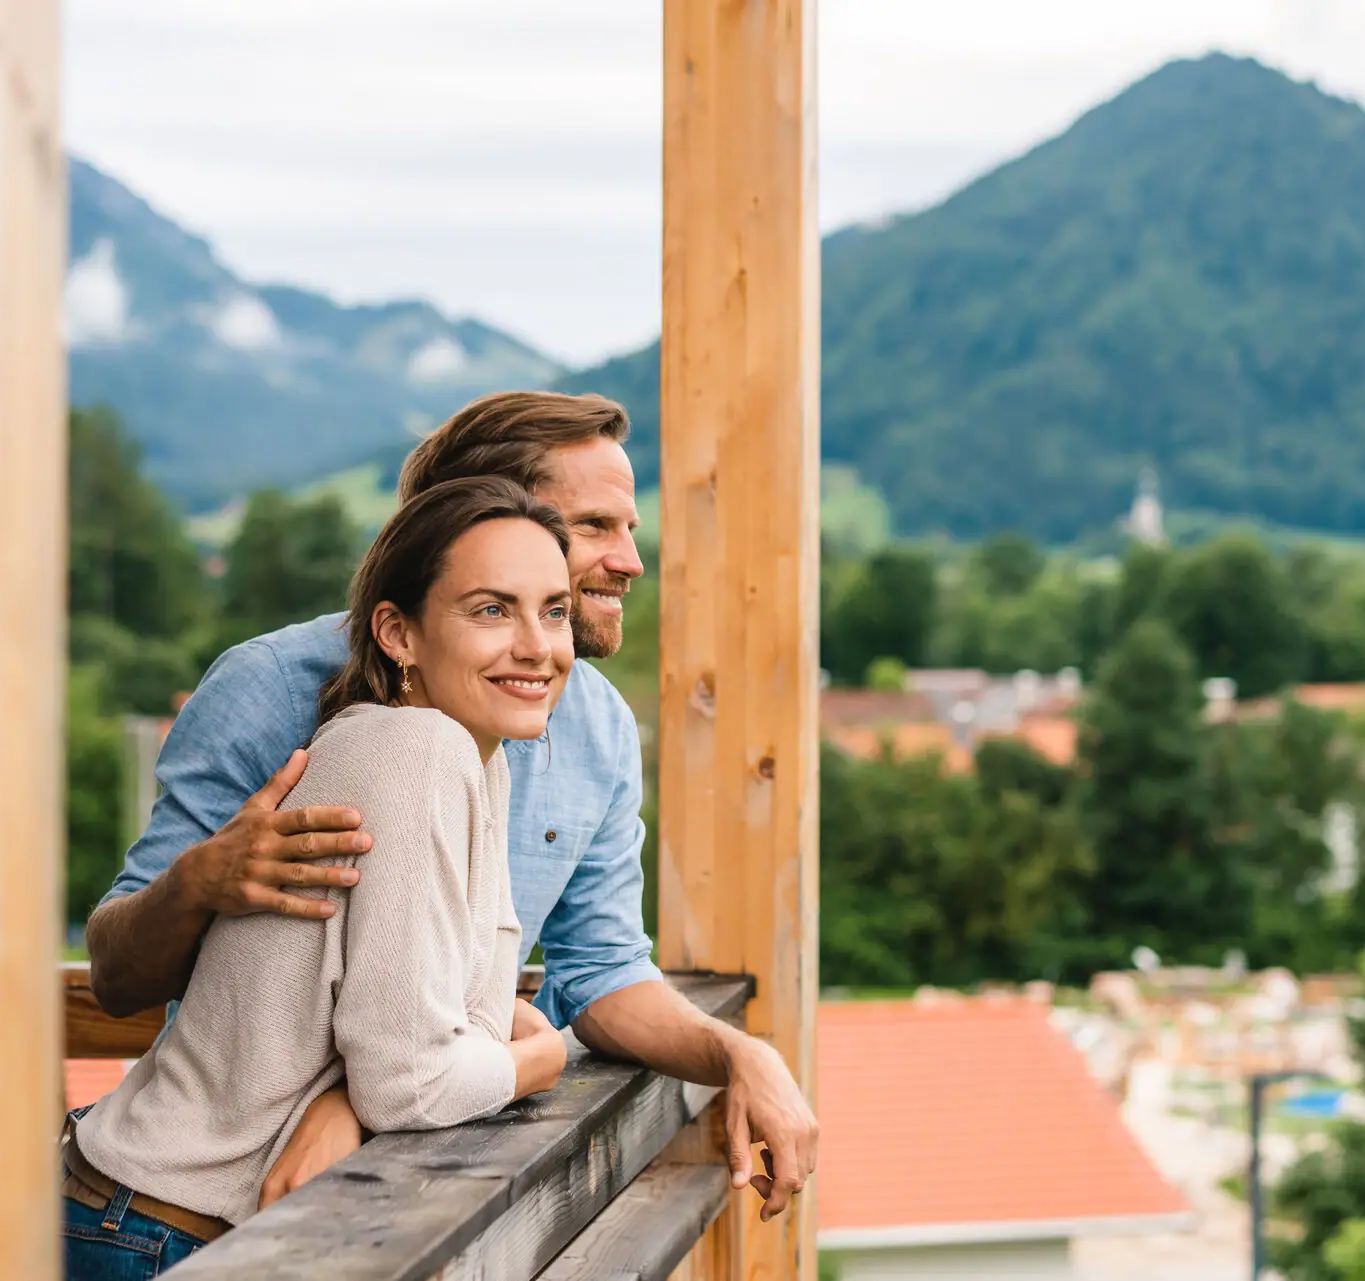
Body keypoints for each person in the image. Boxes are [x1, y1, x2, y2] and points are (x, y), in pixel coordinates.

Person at [84, 392, 816, 1220]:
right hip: (196, 1205)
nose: (630, 560)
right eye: (596, 527)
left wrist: (737, 1053)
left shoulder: (584, 723)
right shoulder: (284, 694)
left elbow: (595, 973)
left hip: (368, 1202)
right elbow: (115, 977)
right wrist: (198, 882)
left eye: (631, 529)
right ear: (475, 522)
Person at [64, 477, 576, 1275]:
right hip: (157, 1229)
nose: (537, 645)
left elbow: (462, 1016)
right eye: (490, 609)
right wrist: (540, 1059)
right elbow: (414, 1079)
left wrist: (382, 1084)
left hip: (166, 1218)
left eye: (554, 609)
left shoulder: (476, 757)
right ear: (397, 633)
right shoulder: (415, 753)